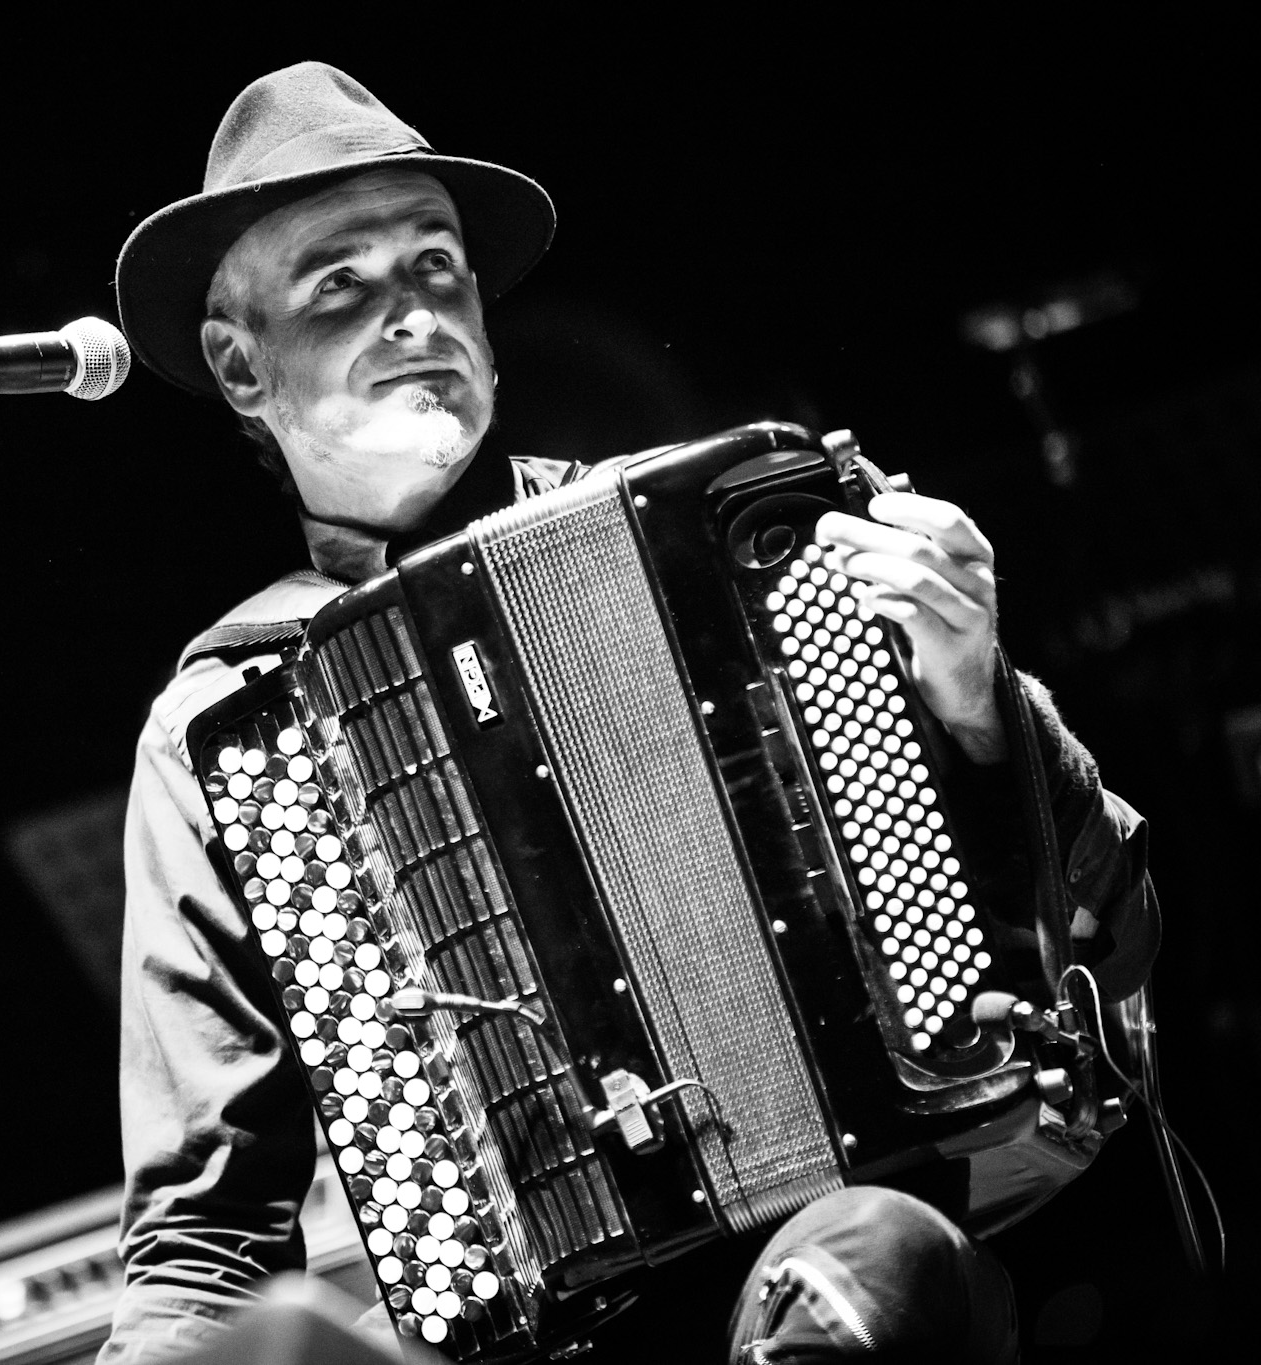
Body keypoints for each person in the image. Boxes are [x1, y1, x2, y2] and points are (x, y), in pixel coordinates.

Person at [99, 63, 1157, 1363]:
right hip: (512, 1333)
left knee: (867, 1267)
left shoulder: (729, 543)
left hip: (823, 1244)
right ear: (239, 363)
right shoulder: (228, 718)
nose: (412, 313)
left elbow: (1118, 930)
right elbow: (203, 1238)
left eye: (436, 267)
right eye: (340, 284)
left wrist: (976, 698)